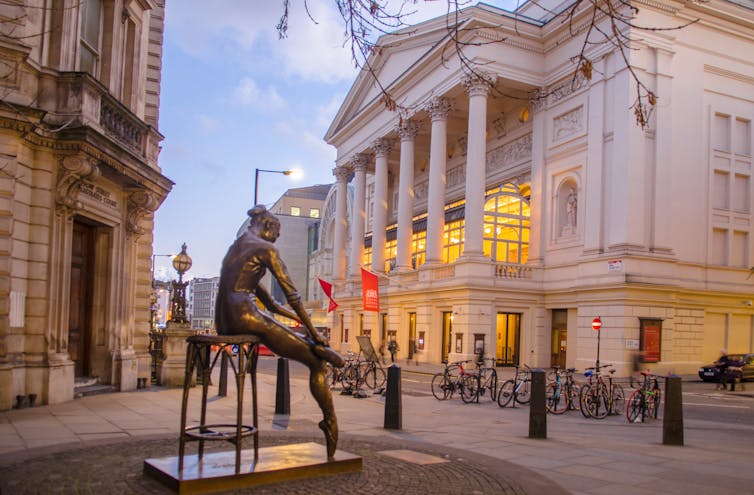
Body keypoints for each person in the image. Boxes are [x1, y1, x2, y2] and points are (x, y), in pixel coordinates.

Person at [215, 205, 345, 458]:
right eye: (277, 231)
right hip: (245, 316)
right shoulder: (266, 249)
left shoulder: (239, 246)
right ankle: (329, 421)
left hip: (227, 318)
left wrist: (302, 325)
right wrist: (315, 332)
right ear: (267, 227)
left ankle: (316, 345)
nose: (278, 237)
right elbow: (292, 295)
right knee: (316, 363)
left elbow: (273, 304)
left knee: (303, 341)